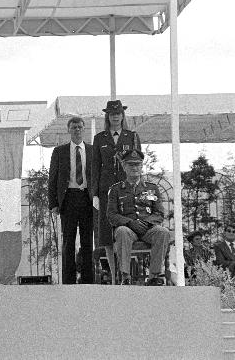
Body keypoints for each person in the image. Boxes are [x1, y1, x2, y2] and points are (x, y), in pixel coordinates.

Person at [92, 100, 141, 284]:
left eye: (118, 113)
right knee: (106, 235)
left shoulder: (131, 136)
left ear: (122, 115)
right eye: (112, 113)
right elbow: (95, 167)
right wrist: (94, 194)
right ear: (107, 116)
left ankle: (125, 273)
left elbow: (136, 164)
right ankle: (114, 276)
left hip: (126, 189)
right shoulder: (100, 138)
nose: (115, 116)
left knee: (124, 231)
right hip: (106, 191)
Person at [107, 149, 170, 285]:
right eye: (130, 164)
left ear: (142, 166)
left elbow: (159, 213)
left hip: (148, 229)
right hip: (128, 229)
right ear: (124, 166)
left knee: (163, 232)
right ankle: (126, 276)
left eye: (137, 164)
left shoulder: (152, 188)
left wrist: (146, 223)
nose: (134, 168)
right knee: (121, 231)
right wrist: (130, 223)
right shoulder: (116, 190)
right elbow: (111, 215)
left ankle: (154, 276)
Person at [48, 117, 93, 284]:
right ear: (69, 129)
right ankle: (68, 281)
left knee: (88, 240)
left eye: (80, 127)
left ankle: (89, 280)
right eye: (74, 127)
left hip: (87, 198)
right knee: (68, 241)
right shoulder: (59, 151)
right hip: (69, 199)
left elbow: (95, 176)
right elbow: (52, 178)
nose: (77, 130)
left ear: (84, 129)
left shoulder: (92, 150)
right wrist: (53, 203)